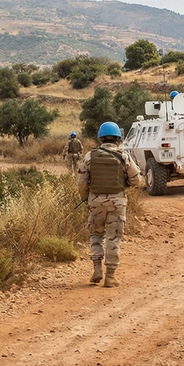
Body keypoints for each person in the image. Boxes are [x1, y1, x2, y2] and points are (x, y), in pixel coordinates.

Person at [76, 121, 143, 287]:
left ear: (101, 138)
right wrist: (126, 183)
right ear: (118, 139)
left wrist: (86, 198)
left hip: (96, 201)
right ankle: (110, 276)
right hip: (117, 202)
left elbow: (82, 182)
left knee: (96, 235)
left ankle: (97, 269)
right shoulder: (123, 156)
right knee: (114, 237)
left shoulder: (90, 156)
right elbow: (137, 180)